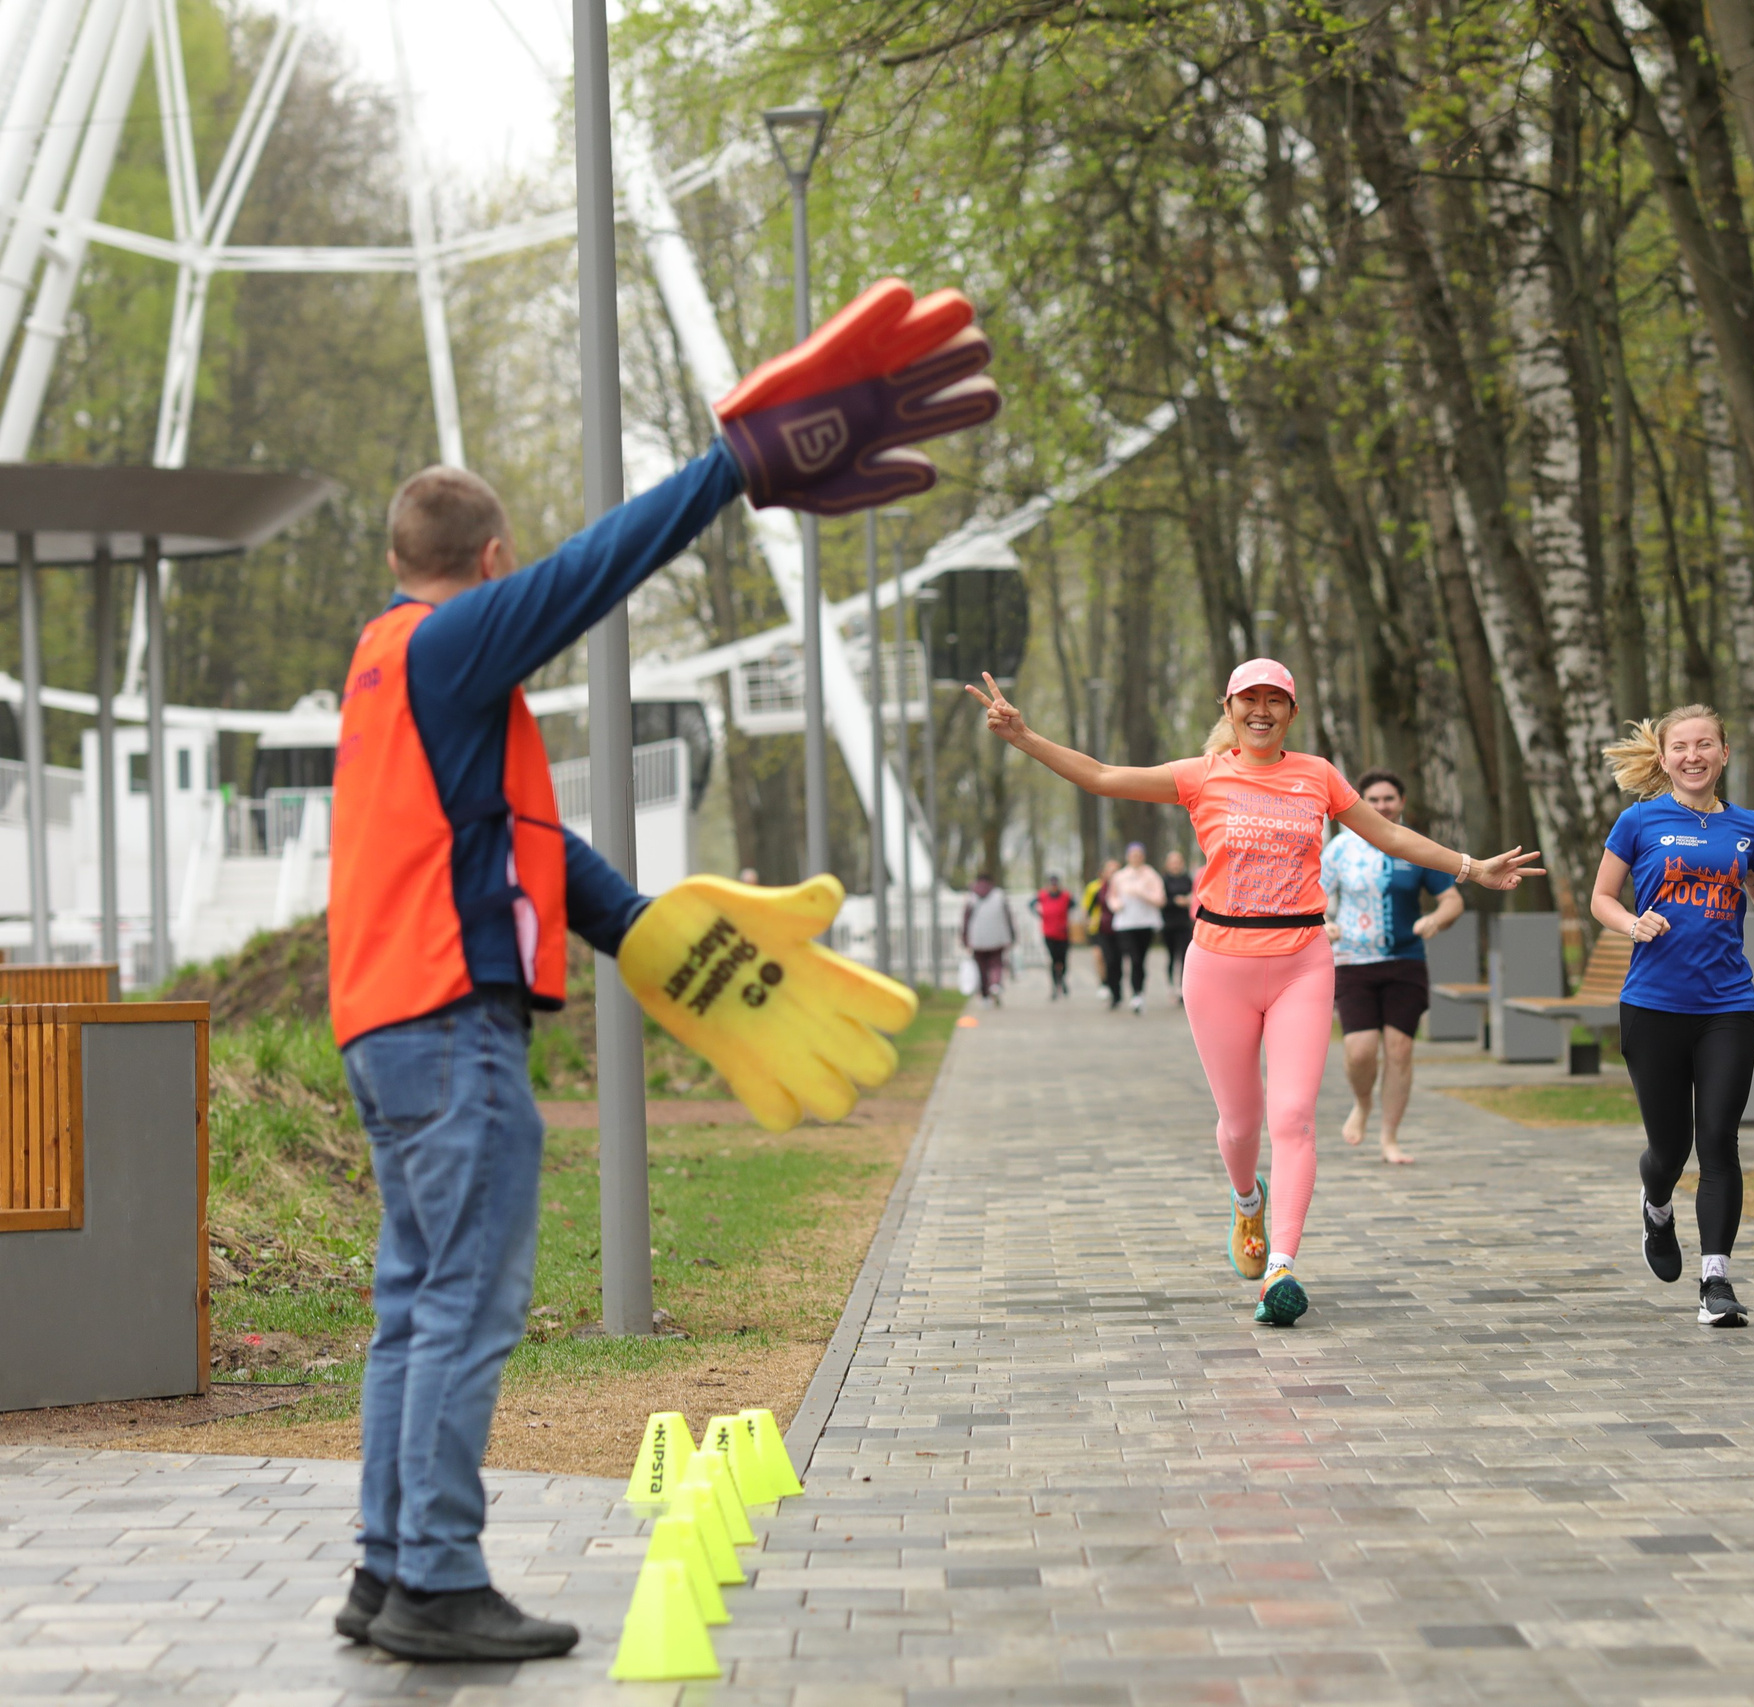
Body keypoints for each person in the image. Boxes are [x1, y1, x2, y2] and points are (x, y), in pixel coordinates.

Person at [323, 278, 998, 1661]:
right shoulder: (456, 643)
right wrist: (733, 467)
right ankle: (439, 1575)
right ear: (491, 553)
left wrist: (644, 930)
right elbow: (597, 572)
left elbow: (515, 841)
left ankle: (387, 1567)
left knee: (413, 1298)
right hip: (451, 1032)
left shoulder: (383, 665)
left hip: (382, 1029)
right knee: (465, 1300)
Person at [968, 659, 1539, 1326]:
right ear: (1230, 708)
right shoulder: (1201, 775)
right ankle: (1247, 1202)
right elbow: (1101, 778)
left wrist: (1471, 867)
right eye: (1250, 700)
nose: (1262, 710)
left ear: (1292, 712)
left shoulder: (1317, 775)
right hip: (1218, 964)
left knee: (1293, 1115)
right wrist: (1025, 736)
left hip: (1302, 960)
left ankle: (1281, 1267)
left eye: (1276, 700)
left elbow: (1388, 835)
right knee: (1241, 1123)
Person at [1588, 706, 1754, 1329]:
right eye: (1681, 747)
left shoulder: (1747, 825)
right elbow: (1601, 898)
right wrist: (1633, 923)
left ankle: (1715, 1280)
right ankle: (1656, 1204)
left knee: (1718, 1139)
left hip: (1728, 1005)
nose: (1693, 756)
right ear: (1663, 759)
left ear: (1723, 753)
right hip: (1653, 1006)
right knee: (1671, 1148)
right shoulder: (1638, 821)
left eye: (1706, 745)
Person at [1320, 769, 1462, 1166]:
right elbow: (1311, 895)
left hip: (1405, 961)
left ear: (1401, 802)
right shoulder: (1339, 849)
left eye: (1389, 799)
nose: (1382, 806)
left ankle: (1389, 1137)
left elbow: (1451, 898)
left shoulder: (1416, 847)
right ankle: (1363, 1103)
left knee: (1399, 1050)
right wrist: (1322, 924)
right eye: (1373, 800)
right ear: (1360, 803)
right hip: (1353, 962)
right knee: (1360, 1052)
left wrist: (1437, 919)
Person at [1106, 841, 1167, 1012]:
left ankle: (1138, 993)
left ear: (1143, 856)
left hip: (1145, 923)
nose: (1136, 858)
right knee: (1132, 957)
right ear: (1127, 857)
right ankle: (1132, 992)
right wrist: (1116, 905)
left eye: (1139, 855)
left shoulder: (1151, 875)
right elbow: (1112, 897)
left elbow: (1160, 899)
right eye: (1132, 855)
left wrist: (1142, 893)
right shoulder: (1120, 876)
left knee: (1140, 960)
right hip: (1125, 923)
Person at [960, 872, 1016, 1003]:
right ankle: (995, 983)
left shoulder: (971, 897)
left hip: (977, 939)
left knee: (982, 967)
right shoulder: (999, 896)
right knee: (997, 962)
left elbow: (966, 920)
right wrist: (1012, 935)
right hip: (998, 937)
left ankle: (985, 995)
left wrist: (965, 938)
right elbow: (1008, 918)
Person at [1082, 857, 1121, 1001]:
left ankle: (1116, 987)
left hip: (1119, 928)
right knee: (1102, 957)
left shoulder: (1124, 886)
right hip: (1099, 928)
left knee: (1117, 960)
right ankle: (1105, 984)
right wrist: (1087, 922)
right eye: (1110, 871)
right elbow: (1088, 907)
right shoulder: (1095, 888)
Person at [1160, 847, 1195, 997]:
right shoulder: (1163, 880)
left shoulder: (1187, 878)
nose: (1175, 865)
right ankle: (1170, 984)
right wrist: (1175, 901)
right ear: (1168, 864)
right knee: (1171, 955)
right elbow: (1160, 900)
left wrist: (1188, 901)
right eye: (1172, 862)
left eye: (1178, 862)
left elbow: (1195, 894)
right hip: (1168, 923)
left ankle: (1182, 987)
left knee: (1184, 955)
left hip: (1184, 922)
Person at [1035, 873, 1075, 999]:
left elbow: (1074, 905)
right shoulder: (1042, 896)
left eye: (1055, 884)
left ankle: (1062, 980)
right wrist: (1040, 914)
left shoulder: (1066, 896)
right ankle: (1054, 986)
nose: (1053, 887)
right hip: (1049, 933)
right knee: (1053, 960)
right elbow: (1031, 904)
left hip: (1063, 933)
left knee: (1062, 960)